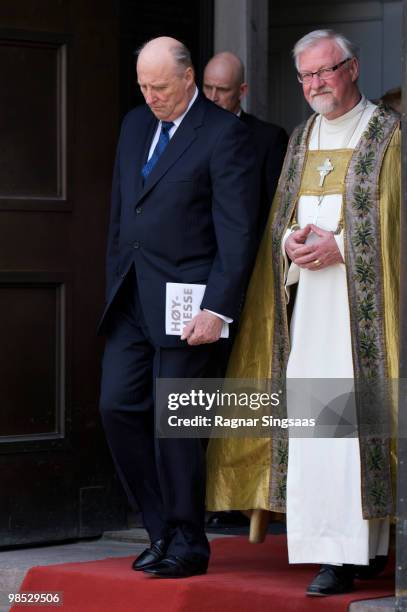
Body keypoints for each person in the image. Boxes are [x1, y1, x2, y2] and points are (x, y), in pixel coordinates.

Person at [206, 29, 400, 596]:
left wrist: (344, 248)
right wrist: (289, 241)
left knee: (357, 423)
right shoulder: (300, 138)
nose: (317, 84)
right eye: (307, 76)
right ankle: (329, 550)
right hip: (307, 311)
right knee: (316, 425)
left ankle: (358, 552)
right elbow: (283, 216)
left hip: (365, 314)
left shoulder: (389, 136)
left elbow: (395, 226)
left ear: (353, 67)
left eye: (326, 71)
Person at [98, 36, 258, 579]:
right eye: (142, 86)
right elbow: (123, 211)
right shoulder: (134, 125)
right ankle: (160, 528)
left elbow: (236, 233)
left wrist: (218, 307)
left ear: (188, 79)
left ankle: (189, 541)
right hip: (131, 298)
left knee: (177, 422)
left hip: (189, 302)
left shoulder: (225, 134)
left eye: (160, 87)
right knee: (117, 407)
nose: (150, 97)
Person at [203, 51, 288, 239]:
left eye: (223, 90)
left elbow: (274, 210)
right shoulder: (187, 133)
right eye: (208, 87)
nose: (212, 97)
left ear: (242, 90)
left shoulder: (269, 138)